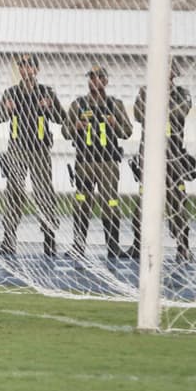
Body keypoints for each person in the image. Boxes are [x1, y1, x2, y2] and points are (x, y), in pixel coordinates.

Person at [0, 53, 66, 257]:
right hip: (17, 149)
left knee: (44, 193)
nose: (25, 69)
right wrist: (6, 109)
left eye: (29, 66)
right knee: (14, 193)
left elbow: (62, 119)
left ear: (36, 69)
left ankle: (49, 239)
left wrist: (50, 107)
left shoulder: (46, 92)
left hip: (40, 150)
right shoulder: (11, 93)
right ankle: (9, 240)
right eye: (21, 66)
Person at [125, 60, 194, 262]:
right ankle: (138, 244)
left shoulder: (182, 93)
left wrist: (157, 103)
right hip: (149, 157)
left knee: (178, 203)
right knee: (142, 203)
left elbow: (180, 112)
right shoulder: (146, 91)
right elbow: (139, 115)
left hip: (174, 157)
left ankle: (183, 247)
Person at [62, 65, 132, 259]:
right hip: (84, 162)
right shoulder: (79, 104)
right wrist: (75, 126)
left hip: (108, 162)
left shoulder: (115, 105)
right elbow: (65, 132)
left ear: (106, 80)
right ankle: (78, 245)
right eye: (91, 78)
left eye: (99, 77)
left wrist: (114, 123)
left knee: (110, 202)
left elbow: (127, 132)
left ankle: (113, 247)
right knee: (82, 203)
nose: (95, 81)